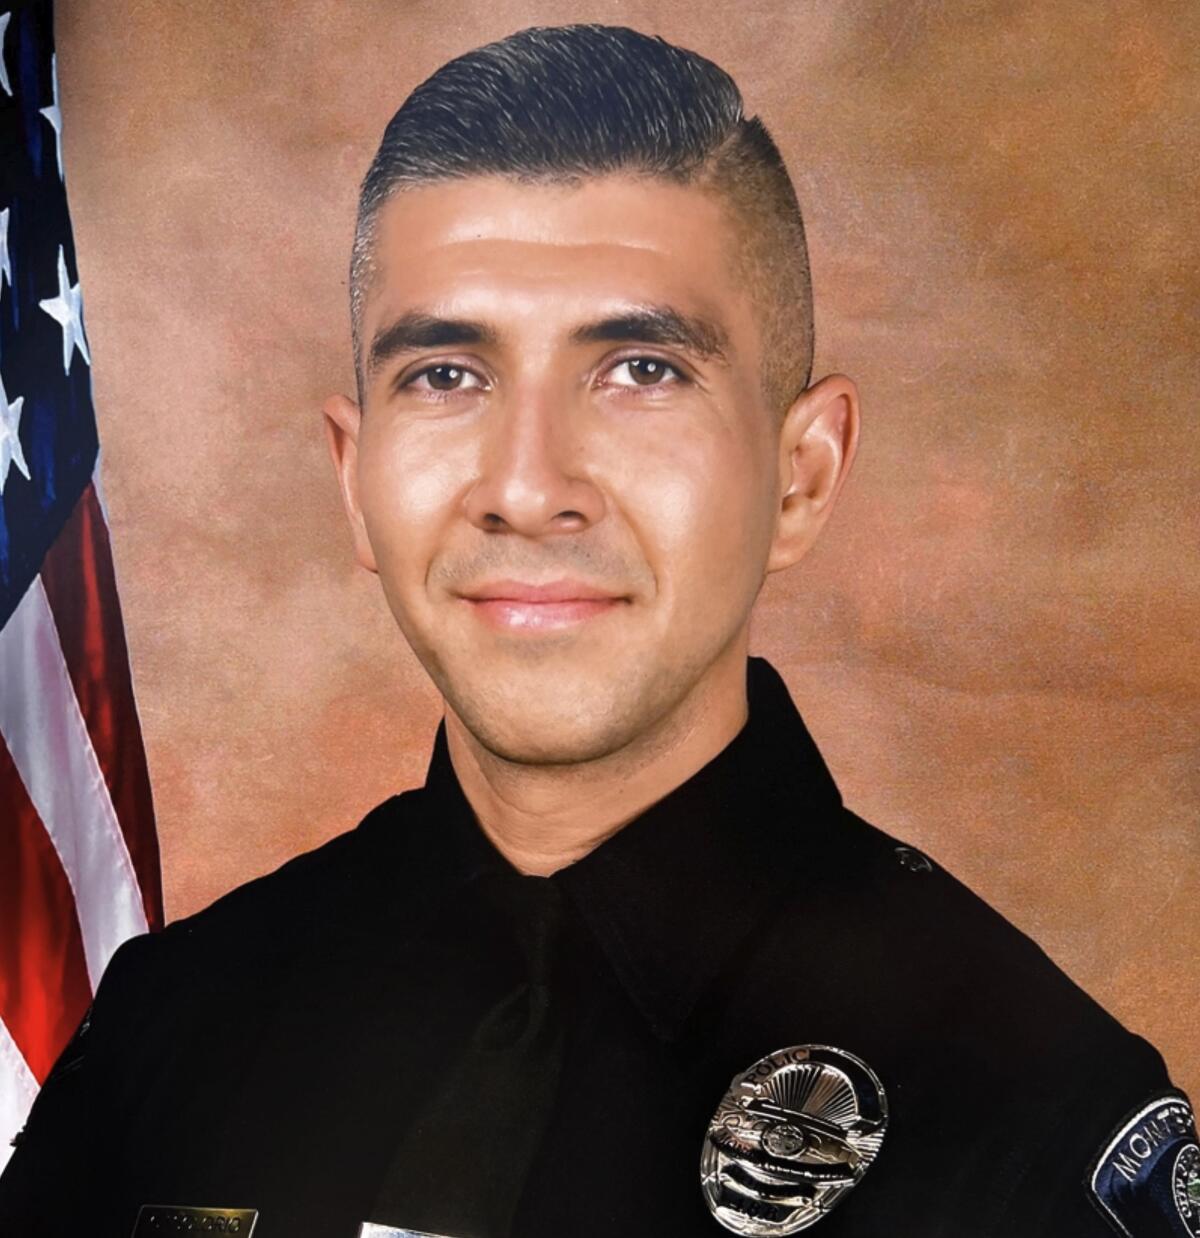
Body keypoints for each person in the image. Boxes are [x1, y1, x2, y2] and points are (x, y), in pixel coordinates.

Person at [0, 22, 1194, 1238]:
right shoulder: (171, 1025)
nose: (528, 483)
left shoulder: (1031, 1112)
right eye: (448, 375)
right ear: (355, 476)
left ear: (801, 476)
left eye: (640, 369)